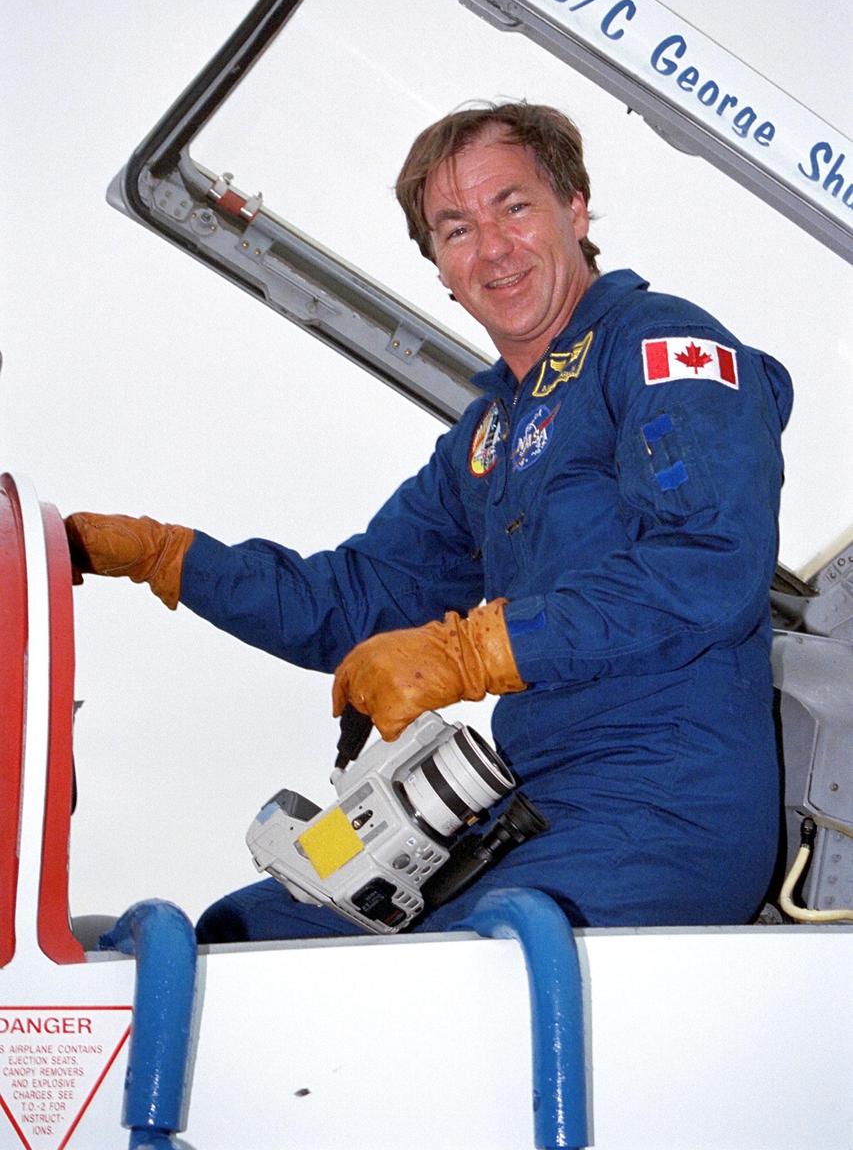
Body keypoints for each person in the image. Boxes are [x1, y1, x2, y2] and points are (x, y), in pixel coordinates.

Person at [66, 101, 793, 939]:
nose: (492, 248)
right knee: (239, 936)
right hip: (529, 803)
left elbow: (708, 565)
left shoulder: (658, 347)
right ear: (440, 269)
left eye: (513, 207)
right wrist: (161, 556)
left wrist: (472, 650)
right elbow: (353, 601)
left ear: (575, 210)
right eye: (456, 229)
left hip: (663, 803)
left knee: (452, 976)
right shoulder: (488, 437)